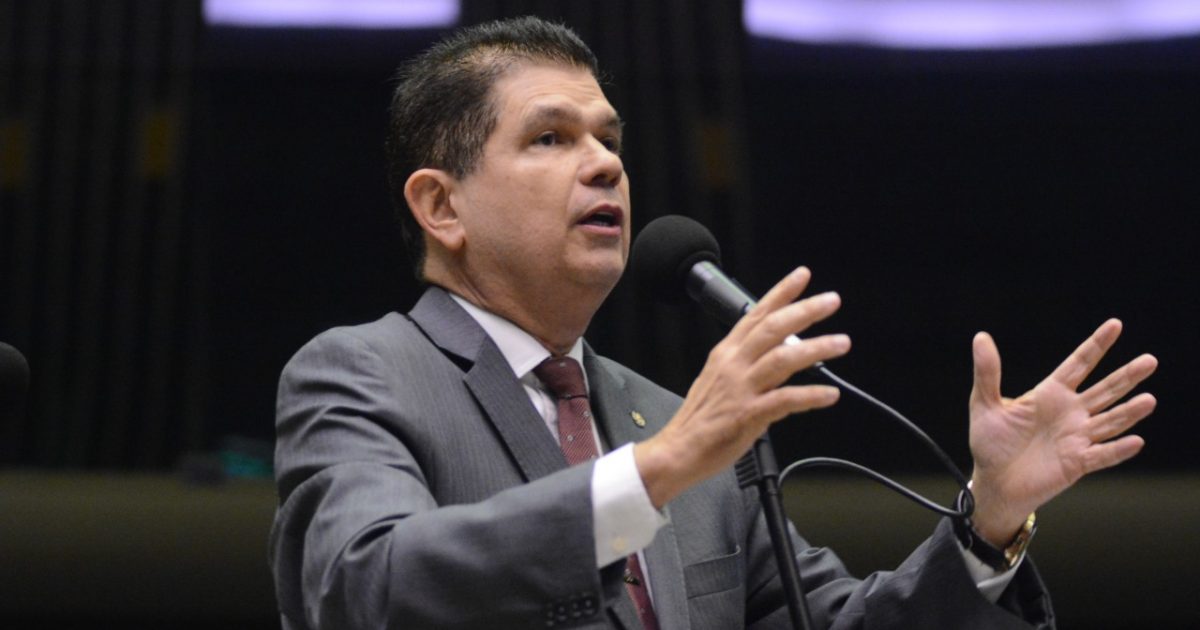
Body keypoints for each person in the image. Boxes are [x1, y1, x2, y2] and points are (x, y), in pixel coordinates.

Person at [269, 16, 1157, 630]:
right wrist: (658, 469)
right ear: (441, 205)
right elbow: (360, 590)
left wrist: (990, 519)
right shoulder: (361, 374)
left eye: (609, 139)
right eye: (551, 138)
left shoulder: (677, 425)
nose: (604, 165)